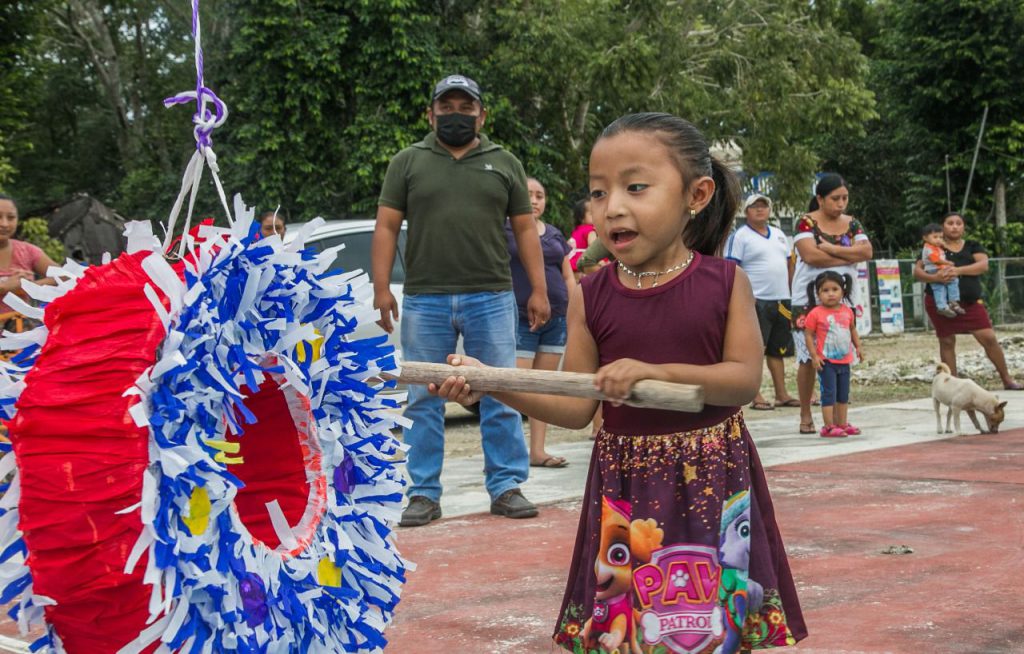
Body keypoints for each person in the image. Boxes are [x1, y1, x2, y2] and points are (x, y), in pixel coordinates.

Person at [429, 112, 806, 652]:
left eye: (636, 187)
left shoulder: (724, 282)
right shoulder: (592, 292)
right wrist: (491, 383)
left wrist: (655, 372)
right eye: (599, 193)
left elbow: (741, 381)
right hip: (626, 487)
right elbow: (576, 405)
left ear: (696, 195)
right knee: (633, 627)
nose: (614, 207)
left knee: (711, 622)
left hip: (710, 479)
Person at [372, 74, 551, 527]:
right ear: (429, 114)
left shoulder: (504, 162)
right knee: (421, 397)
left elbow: (526, 229)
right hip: (424, 298)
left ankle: (507, 485)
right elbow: (387, 225)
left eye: (465, 107)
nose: (456, 114)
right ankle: (423, 494)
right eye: (446, 107)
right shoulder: (407, 162)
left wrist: (538, 289)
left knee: (501, 392)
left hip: (491, 294)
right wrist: (380, 289)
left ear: (481, 114)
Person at [790, 174, 873, 435]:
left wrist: (828, 248)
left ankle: (838, 418)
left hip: (844, 300)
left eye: (844, 198)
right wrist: (846, 256)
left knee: (840, 355)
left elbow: (867, 253)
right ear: (820, 199)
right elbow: (810, 256)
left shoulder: (853, 223)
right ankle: (806, 413)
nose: (841, 204)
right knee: (808, 357)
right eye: (835, 199)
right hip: (809, 300)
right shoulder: (805, 221)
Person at [506, 177, 574, 468]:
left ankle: (538, 451)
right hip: (520, 318)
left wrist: (574, 310)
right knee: (514, 389)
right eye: (529, 194)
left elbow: (568, 275)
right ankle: (506, 456)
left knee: (543, 388)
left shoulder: (555, 235)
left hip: (556, 318)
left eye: (540, 196)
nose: (534, 200)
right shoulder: (503, 230)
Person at [913, 212, 1022, 390]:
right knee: (947, 341)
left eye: (958, 223)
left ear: (963, 227)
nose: (954, 226)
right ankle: (952, 385)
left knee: (989, 337)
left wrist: (957, 270)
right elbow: (917, 272)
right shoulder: (932, 246)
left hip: (970, 303)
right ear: (943, 226)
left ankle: (1007, 379)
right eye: (950, 223)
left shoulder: (972, 245)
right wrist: (935, 278)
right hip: (941, 303)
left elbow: (983, 265)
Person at [726, 193, 798, 411]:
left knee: (778, 348)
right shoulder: (740, 236)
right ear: (746, 211)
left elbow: (789, 263)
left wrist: (789, 287)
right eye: (754, 206)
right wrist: (743, 296)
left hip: (781, 298)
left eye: (764, 206)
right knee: (755, 349)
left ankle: (781, 393)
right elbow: (732, 267)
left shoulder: (779, 235)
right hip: (756, 299)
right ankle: (755, 395)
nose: (760, 210)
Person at [803, 271, 864, 438]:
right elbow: (808, 334)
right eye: (825, 290)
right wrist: (814, 356)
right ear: (818, 294)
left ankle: (842, 423)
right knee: (829, 394)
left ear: (842, 291)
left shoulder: (847, 311)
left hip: (844, 361)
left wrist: (858, 347)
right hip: (826, 362)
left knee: (843, 394)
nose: (831, 294)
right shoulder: (815, 313)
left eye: (835, 289)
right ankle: (828, 426)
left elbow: (852, 330)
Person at [0, 194, 58, 331]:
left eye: (11, 217)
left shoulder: (27, 251)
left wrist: (30, 286)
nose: (4, 224)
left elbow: (62, 276)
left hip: (20, 339)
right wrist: (4, 287)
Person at [920, 223, 963, 318]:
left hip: (935, 269)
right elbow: (935, 260)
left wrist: (943, 245)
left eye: (940, 237)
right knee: (952, 280)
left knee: (941, 287)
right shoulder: (929, 248)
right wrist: (947, 263)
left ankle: (943, 306)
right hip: (935, 269)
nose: (939, 240)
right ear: (925, 238)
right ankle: (952, 301)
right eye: (935, 237)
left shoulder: (934, 247)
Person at [567, 198, 597, 279]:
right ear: (582, 218)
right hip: (583, 262)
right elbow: (594, 246)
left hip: (571, 263)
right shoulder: (590, 230)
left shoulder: (577, 230)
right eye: (592, 213)